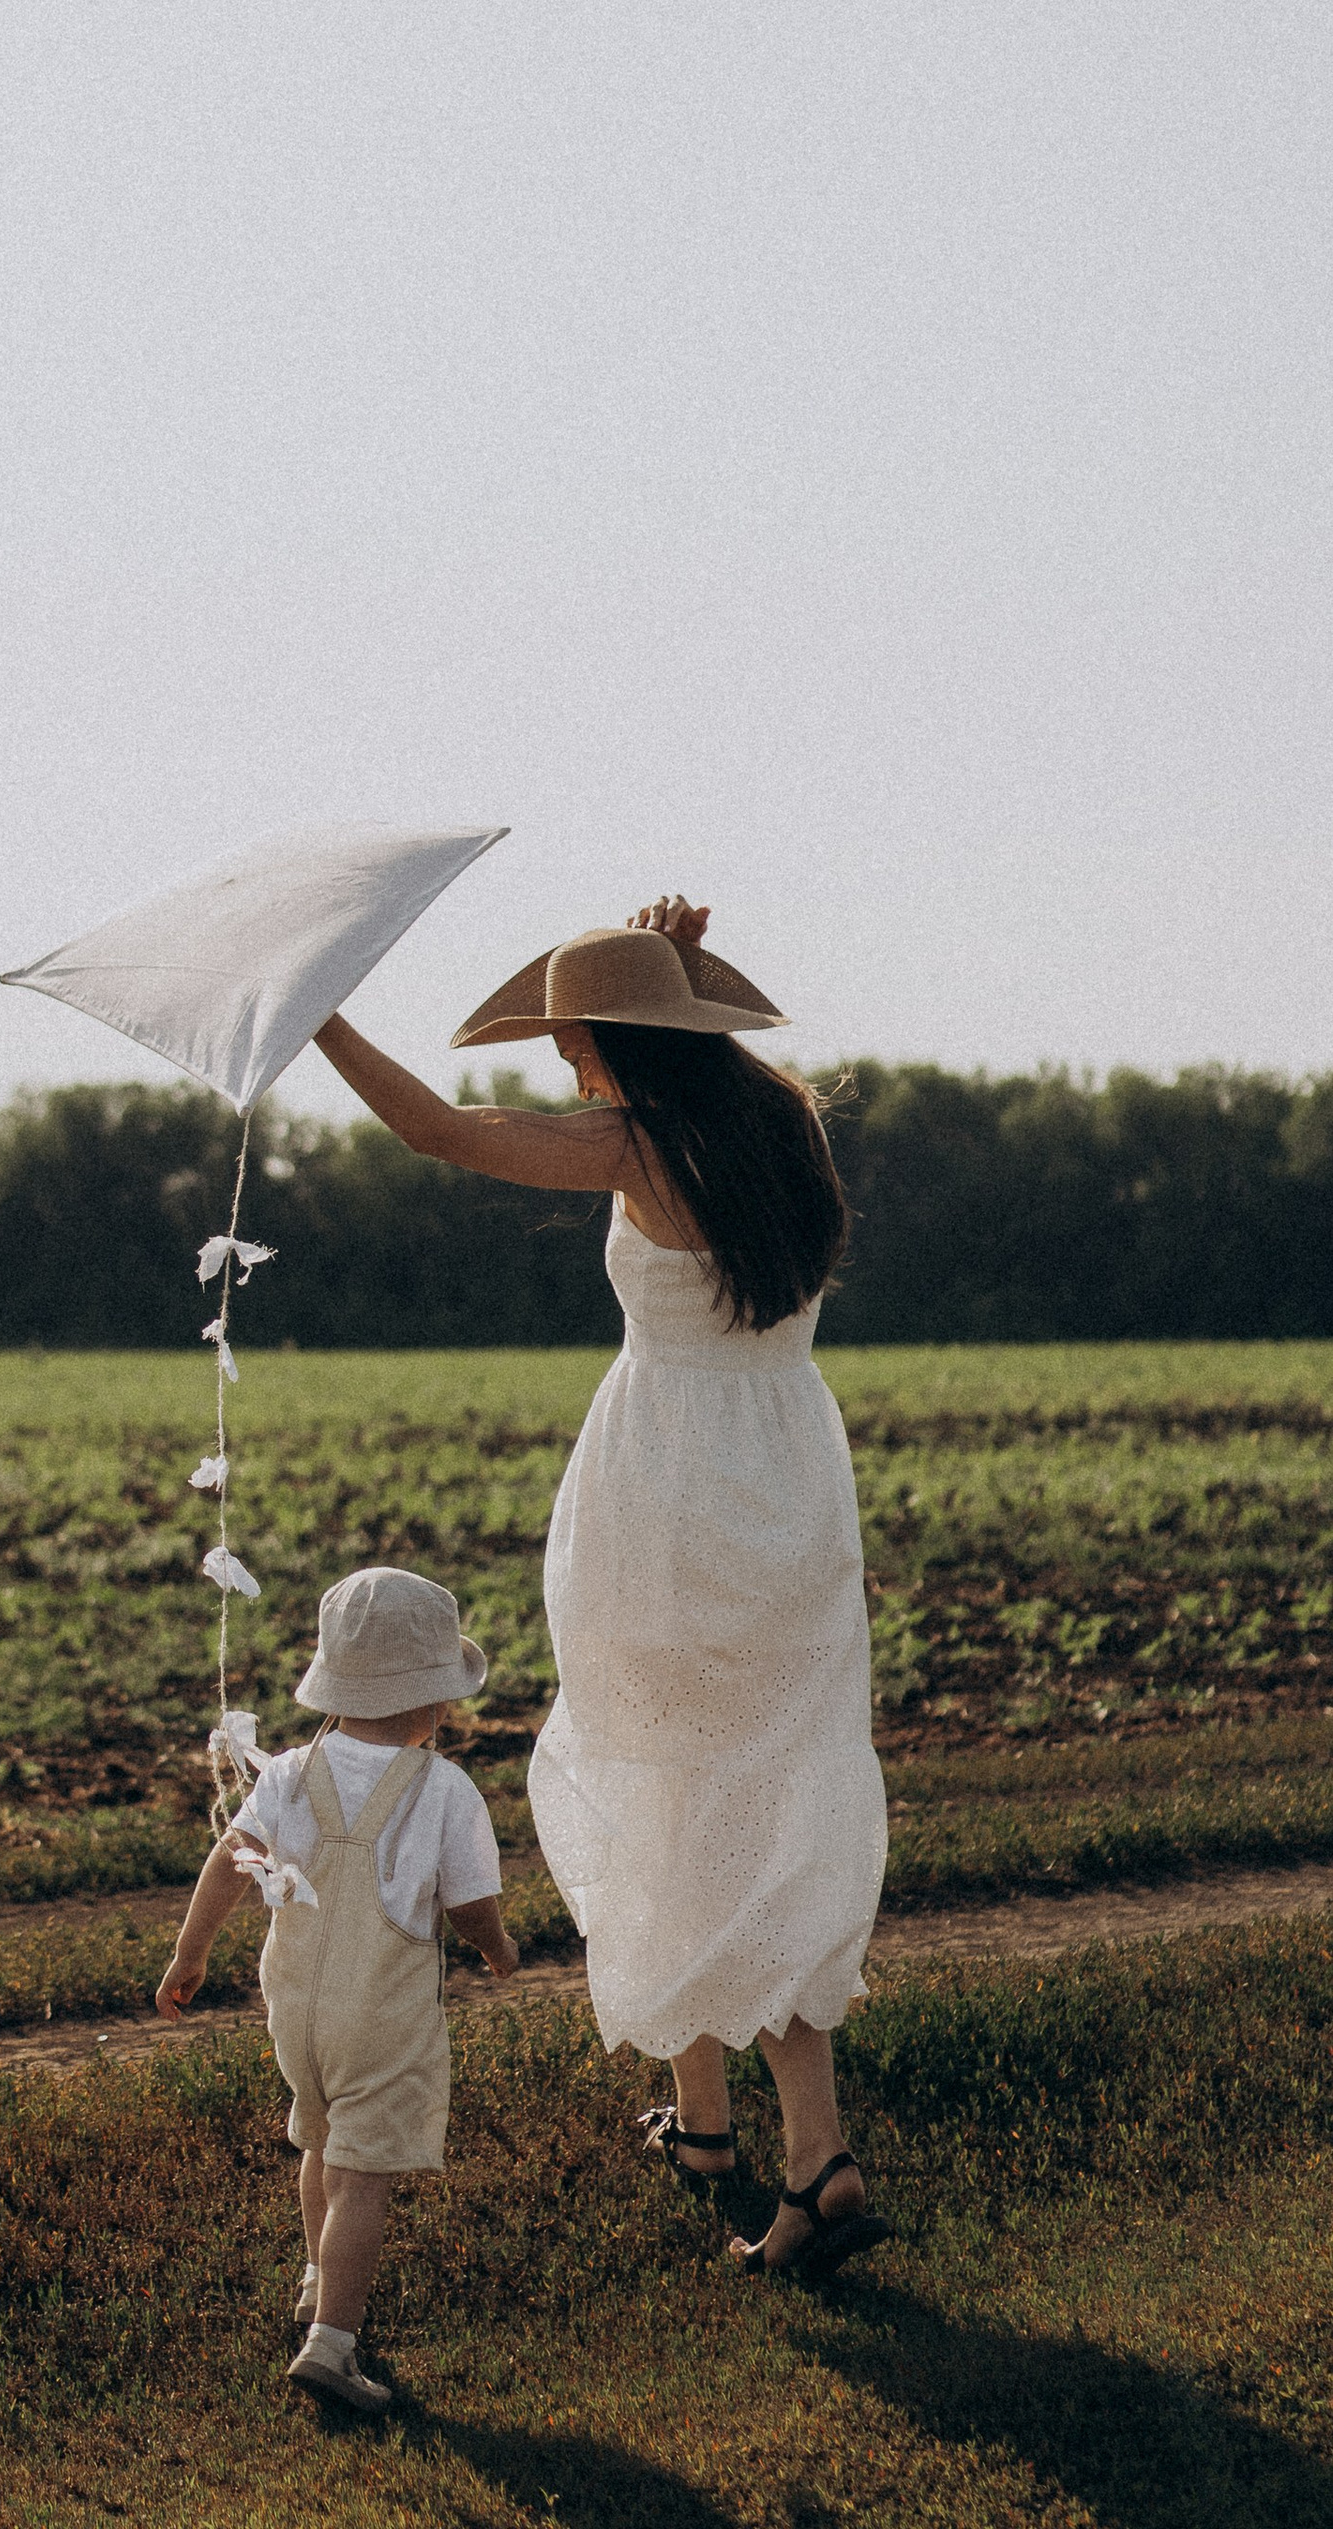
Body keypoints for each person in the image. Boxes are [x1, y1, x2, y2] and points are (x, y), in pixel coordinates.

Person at [313, 898, 891, 2279]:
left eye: (574, 1039)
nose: (567, 1065)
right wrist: (669, 968)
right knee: (750, 1788)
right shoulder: (780, 1123)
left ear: (622, 1041)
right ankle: (714, 2128)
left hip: (671, 1496)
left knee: (673, 1788)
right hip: (789, 1480)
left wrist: (319, 1013)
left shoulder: (639, 1142)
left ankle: (814, 2159)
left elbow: (437, 1129)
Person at [155, 1564, 521, 2408]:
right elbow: (470, 1905)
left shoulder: (288, 1772)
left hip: (296, 2011)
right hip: (381, 2016)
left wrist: (190, 1952)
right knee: (361, 2175)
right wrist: (499, 1948)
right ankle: (333, 2343)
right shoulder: (445, 1790)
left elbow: (232, 1859)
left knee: (320, 2141)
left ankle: (318, 2279)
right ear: (435, 1700)